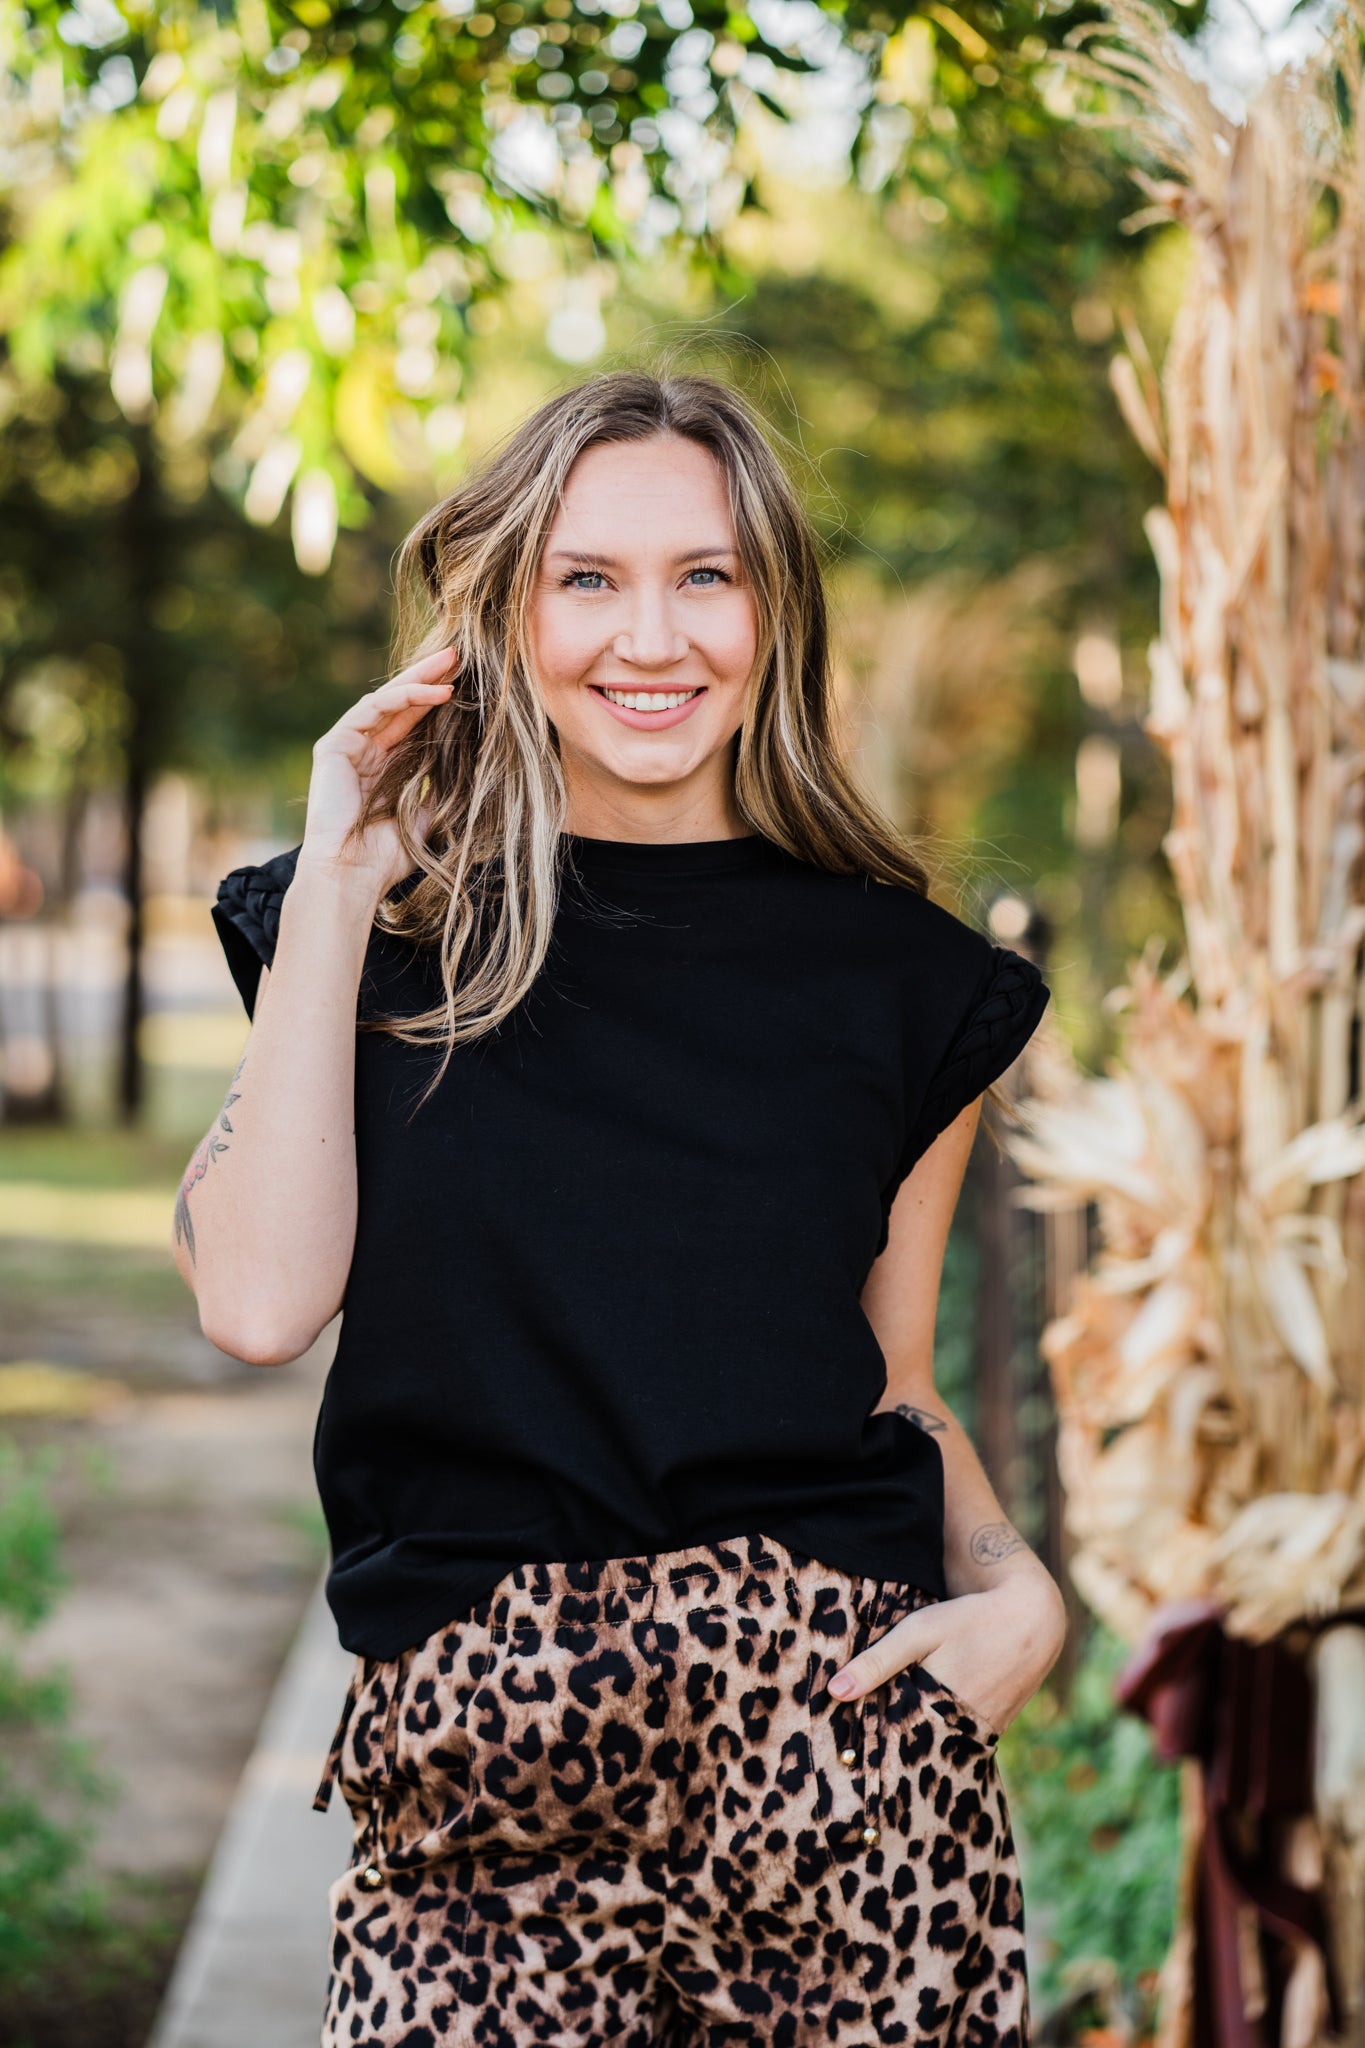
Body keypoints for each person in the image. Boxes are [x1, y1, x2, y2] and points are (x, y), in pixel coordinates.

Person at [176, 369, 1065, 2047]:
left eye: (703, 576)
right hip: (478, 1796)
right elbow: (257, 1302)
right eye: (588, 577)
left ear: (770, 611)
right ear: (505, 610)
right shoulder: (363, 927)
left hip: (838, 1768)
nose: (648, 638)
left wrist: (1018, 1591)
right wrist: (346, 867)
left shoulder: (907, 984)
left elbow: (890, 1381)